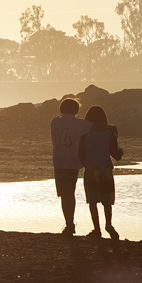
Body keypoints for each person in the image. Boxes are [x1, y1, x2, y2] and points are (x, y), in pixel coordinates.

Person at [78, 105, 123, 240]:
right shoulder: (109, 132)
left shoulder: (84, 133)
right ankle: (108, 225)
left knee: (92, 201)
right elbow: (116, 155)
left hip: (91, 169)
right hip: (105, 169)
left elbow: (81, 153)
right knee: (106, 200)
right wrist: (120, 151)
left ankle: (96, 229)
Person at [51, 97, 92, 236]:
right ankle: (70, 223)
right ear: (76, 110)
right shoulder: (78, 124)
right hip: (72, 162)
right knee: (70, 193)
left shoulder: (54, 122)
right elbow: (92, 126)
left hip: (58, 162)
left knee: (64, 194)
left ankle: (68, 222)